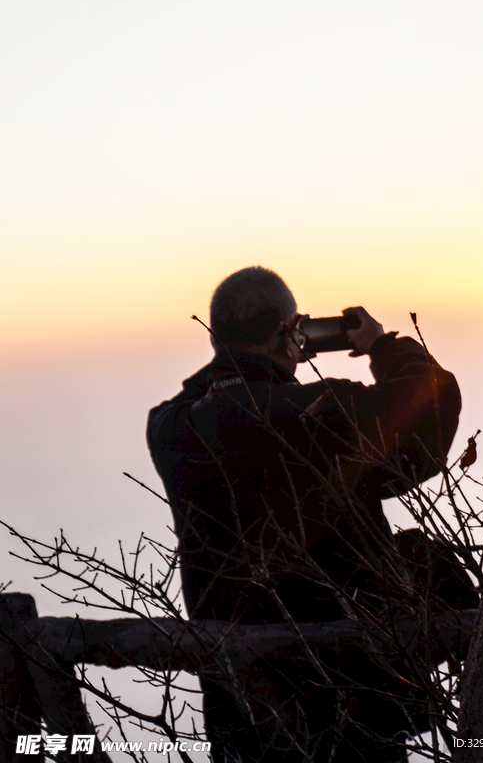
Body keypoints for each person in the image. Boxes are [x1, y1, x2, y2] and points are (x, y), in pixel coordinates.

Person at [147, 266, 466, 761]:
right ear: (286, 333)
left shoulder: (171, 428)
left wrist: (239, 363)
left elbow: (216, 400)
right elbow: (431, 403)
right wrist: (382, 346)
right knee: (426, 558)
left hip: (242, 710)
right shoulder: (322, 410)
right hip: (349, 706)